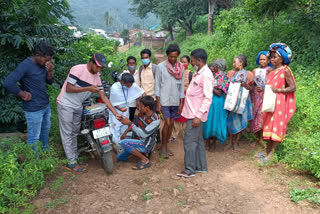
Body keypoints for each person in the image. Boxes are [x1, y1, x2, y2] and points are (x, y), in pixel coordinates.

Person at [56, 53, 121, 173]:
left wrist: (115, 113)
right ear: (91, 62)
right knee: (67, 134)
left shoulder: (97, 77)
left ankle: (74, 159)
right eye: (98, 66)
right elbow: (69, 88)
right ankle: (71, 163)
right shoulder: (77, 69)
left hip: (78, 105)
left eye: (101, 67)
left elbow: (104, 97)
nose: (99, 69)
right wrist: (88, 88)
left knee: (75, 133)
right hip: (65, 104)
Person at [3, 42, 55, 152]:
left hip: (45, 105)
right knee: (34, 137)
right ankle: (34, 164)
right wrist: (22, 93)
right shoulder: (25, 65)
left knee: (45, 131)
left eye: (49, 60)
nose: (47, 62)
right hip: (33, 109)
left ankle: (45, 154)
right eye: (46, 60)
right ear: (37, 55)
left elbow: (49, 82)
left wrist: (50, 71)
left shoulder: (43, 65)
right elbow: (8, 82)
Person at [176, 48, 214, 178]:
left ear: (199, 60)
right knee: (197, 141)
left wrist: (199, 115)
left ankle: (189, 169)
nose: (191, 63)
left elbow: (208, 97)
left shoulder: (206, 75)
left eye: (192, 61)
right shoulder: (199, 72)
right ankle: (201, 166)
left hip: (195, 115)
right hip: (192, 113)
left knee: (189, 141)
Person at [260, 43, 296, 162]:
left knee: (276, 125)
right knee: (268, 123)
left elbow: (293, 87)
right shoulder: (271, 71)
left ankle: (271, 154)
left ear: (282, 58)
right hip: (270, 101)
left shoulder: (285, 70)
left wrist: (279, 90)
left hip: (279, 102)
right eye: (272, 57)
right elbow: (270, 86)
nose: (272, 59)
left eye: (275, 57)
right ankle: (267, 151)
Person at [155, 44, 185, 158]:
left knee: (171, 124)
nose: (173, 59)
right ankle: (163, 147)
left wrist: (181, 102)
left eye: (175, 56)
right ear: (167, 55)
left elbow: (181, 86)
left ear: (177, 56)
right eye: (171, 56)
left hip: (175, 100)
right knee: (167, 123)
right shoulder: (160, 67)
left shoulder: (181, 67)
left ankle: (166, 146)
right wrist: (158, 103)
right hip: (164, 100)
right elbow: (157, 86)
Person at [117, 96, 160, 170]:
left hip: (146, 143)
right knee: (120, 157)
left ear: (147, 107)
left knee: (124, 142)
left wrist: (129, 123)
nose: (139, 108)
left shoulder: (155, 120)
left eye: (141, 106)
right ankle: (137, 152)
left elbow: (143, 134)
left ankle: (144, 159)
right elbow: (134, 124)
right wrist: (125, 132)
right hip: (137, 138)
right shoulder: (140, 114)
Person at [225, 55, 253, 152]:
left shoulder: (246, 74)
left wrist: (245, 85)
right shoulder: (232, 74)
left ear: (241, 63)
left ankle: (236, 143)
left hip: (242, 102)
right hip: (233, 102)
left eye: (234, 62)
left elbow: (251, 89)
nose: (233, 64)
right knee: (231, 120)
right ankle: (230, 142)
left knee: (240, 121)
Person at [109, 73, 144, 147]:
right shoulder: (114, 87)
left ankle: (124, 144)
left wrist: (146, 104)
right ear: (122, 82)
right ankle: (117, 146)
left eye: (130, 85)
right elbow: (113, 102)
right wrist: (120, 109)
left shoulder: (132, 85)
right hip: (115, 111)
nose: (129, 87)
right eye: (127, 85)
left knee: (124, 127)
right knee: (116, 128)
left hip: (125, 110)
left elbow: (142, 93)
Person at [203, 59, 230, 152]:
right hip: (212, 102)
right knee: (209, 121)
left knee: (215, 121)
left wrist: (209, 85)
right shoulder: (216, 76)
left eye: (215, 66)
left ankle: (213, 143)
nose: (213, 68)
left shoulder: (223, 77)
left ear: (218, 66)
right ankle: (208, 142)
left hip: (218, 102)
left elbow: (219, 93)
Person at [251, 51, 271, 148]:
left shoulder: (270, 70)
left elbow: (272, 83)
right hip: (256, 96)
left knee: (262, 117)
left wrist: (264, 88)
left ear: (268, 61)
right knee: (255, 116)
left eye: (264, 59)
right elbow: (253, 83)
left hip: (265, 96)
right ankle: (256, 138)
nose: (262, 61)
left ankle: (261, 139)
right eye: (260, 59)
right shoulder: (255, 70)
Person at [170, 55, 191, 142]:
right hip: (177, 96)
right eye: (181, 62)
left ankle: (185, 134)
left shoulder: (190, 74)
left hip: (186, 96)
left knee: (185, 115)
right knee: (177, 115)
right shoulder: (176, 72)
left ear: (188, 63)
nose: (183, 64)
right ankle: (174, 134)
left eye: (185, 62)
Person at [121, 56, 140, 121]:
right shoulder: (124, 74)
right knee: (127, 119)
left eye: (133, 63)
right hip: (127, 102)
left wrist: (138, 100)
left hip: (136, 102)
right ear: (127, 64)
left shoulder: (139, 73)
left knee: (136, 119)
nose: (131, 65)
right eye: (130, 63)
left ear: (136, 64)